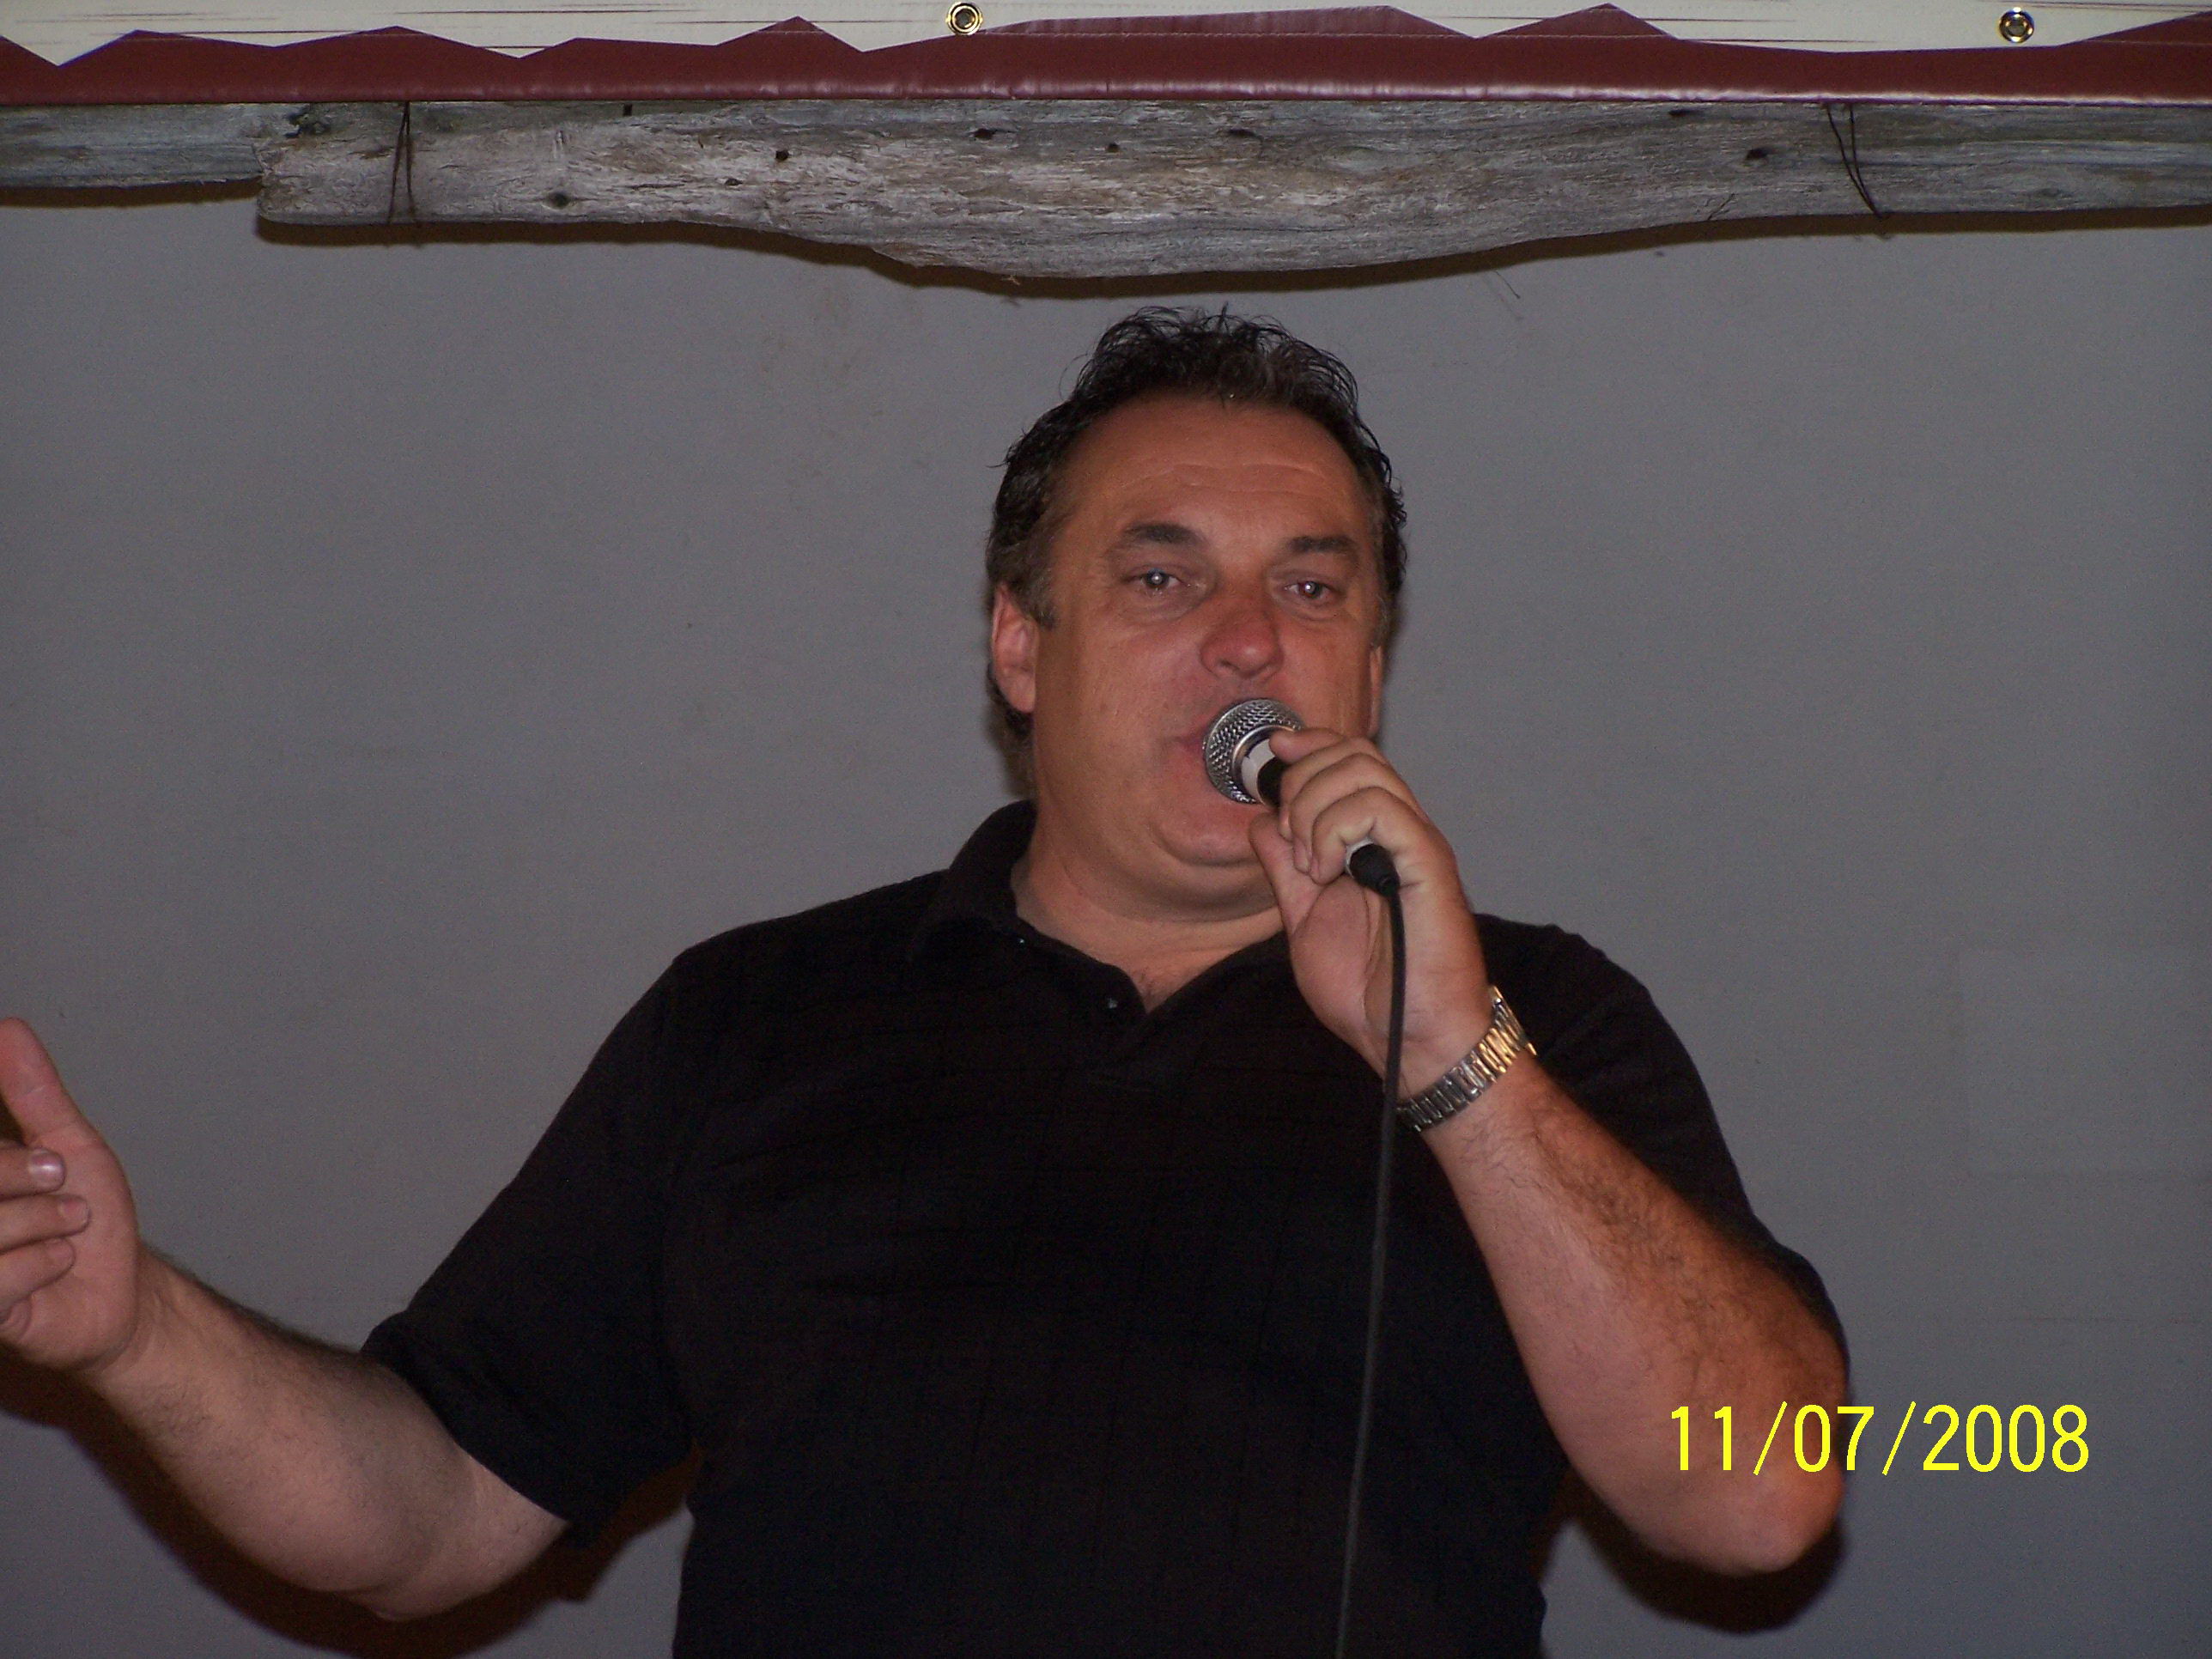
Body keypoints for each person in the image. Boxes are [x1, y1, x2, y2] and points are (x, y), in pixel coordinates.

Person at [0, 307, 1845, 1656]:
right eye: (1160, 579)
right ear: (1020, 649)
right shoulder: (759, 1019)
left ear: (1371, 660)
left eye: (1311, 588)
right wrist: (135, 1329)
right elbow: (432, 1511)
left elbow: (1761, 1495)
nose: (1245, 643)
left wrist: (1447, 1053)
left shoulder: (1541, 1022)